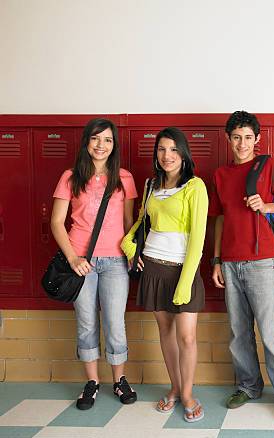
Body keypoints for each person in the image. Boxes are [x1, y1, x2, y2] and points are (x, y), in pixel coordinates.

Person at [209, 110, 274, 425]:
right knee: (238, 333)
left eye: (248, 137)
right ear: (228, 139)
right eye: (236, 137)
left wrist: (267, 205)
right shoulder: (220, 175)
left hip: (262, 262)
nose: (242, 143)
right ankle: (248, 386)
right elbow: (220, 218)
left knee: (272, 333)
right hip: (231, 264)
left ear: (257, 140)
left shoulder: (270, 166)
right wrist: (217, 260)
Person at [121, 127, 208, 422]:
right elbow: (143, 222)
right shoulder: (150, 185)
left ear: (183, 153)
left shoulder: (195, 186)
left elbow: (198, 239)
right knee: (166, 333)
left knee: (187, 336)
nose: (167, 155)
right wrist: (130, 247)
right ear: (156, 154)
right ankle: (174, 387)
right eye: (161, 149)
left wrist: (185, 282)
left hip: (183, 269)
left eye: (173, 149)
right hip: (154, 267)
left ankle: (187, 394)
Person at [50, 118, 138, 410]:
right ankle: (92, 383)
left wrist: (132, 254)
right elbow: (56, 222)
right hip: (81, 261)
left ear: (114, 145)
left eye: (108, 140)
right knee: (87, 323)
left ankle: (119, 380)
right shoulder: (70, 176)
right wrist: (74, 258)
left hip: (115, 261)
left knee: (115, 323)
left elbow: (129, 222)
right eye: (96, 139)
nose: (102, 145)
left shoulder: (124, 177)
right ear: (87, 142)